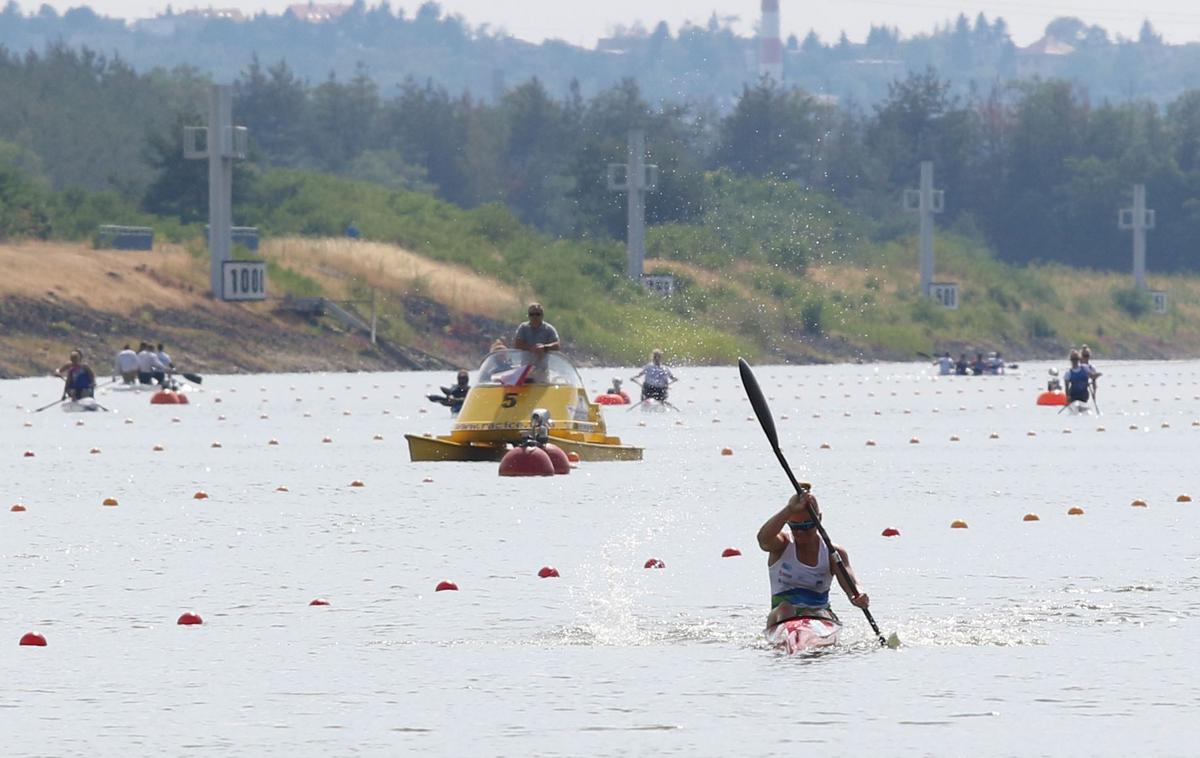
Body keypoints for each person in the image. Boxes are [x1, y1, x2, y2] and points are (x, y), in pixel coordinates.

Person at [757, 489, 869, 630]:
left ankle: (811, 638)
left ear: (819, 519)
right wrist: (789, 509)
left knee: (816, 613)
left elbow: (851, 583)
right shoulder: (781, 544)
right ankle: (790, 638)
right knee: (785, 608)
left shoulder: (832, 553)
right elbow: (763, 540)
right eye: (795, 526)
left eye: (807, 526)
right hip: (782, 617)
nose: (800, 532)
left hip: (818, 616)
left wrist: (858, 595)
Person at [512, 303, 559, 382]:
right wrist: (532, 348)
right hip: (526, 370)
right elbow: (517, 344)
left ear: (542, 315)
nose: (535, 317)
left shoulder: (549, 329)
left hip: (542, 370)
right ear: (528, 316)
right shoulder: (523, 328)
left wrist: (544, 347)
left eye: (537, 314)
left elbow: (557, 345)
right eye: (532, 314)